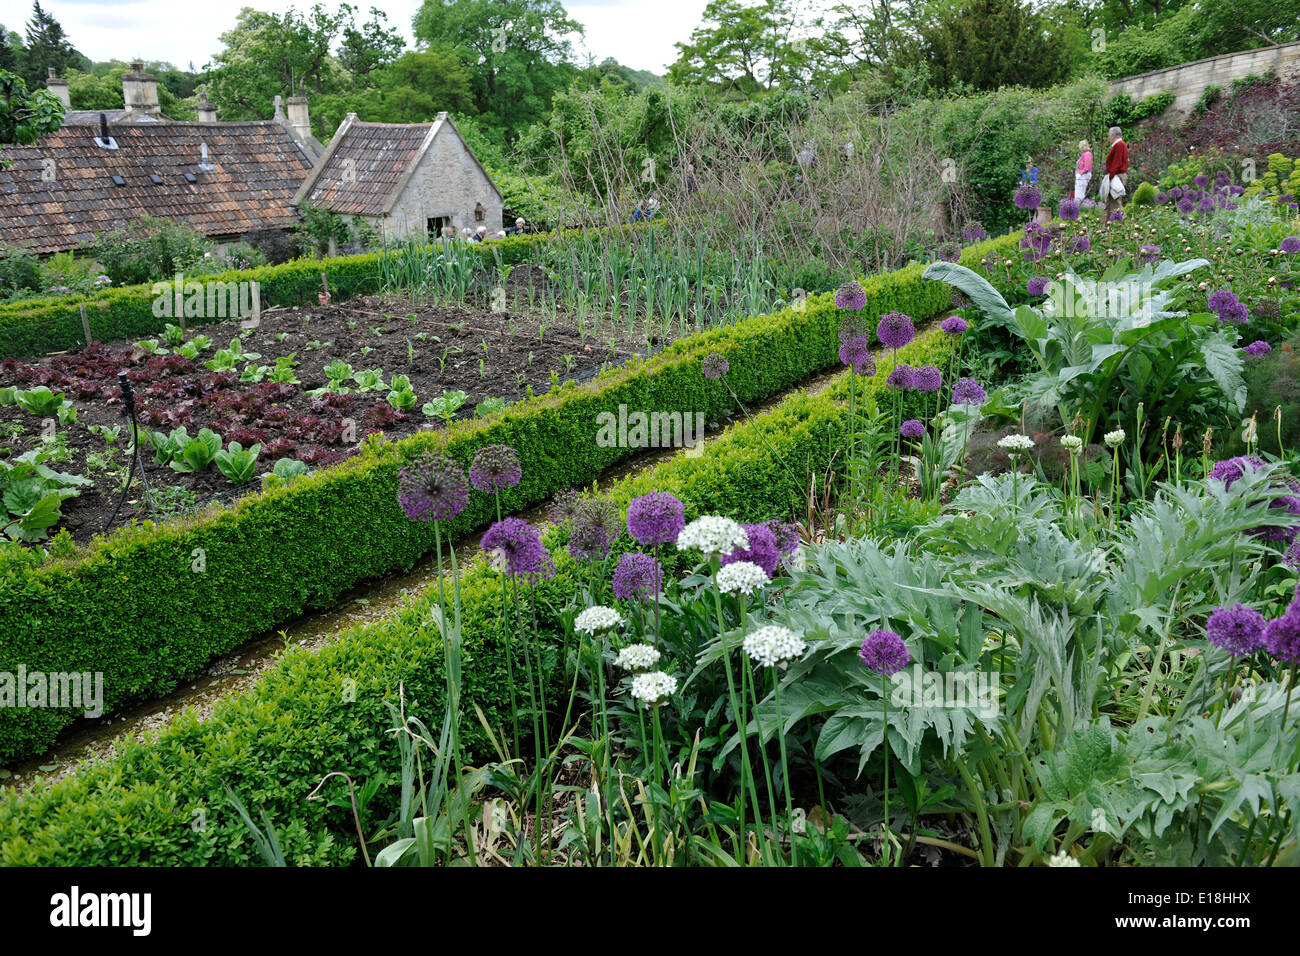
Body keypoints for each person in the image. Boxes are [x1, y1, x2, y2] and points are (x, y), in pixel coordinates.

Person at [1102, 126, 1128, 218]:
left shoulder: (1119, 145)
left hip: (1116, 176)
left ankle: (1122, 222)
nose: (1108, 137)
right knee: (1111, 201)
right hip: (1115, 175)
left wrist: (1110, 176)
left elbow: (1117, 162)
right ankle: (1106, 224)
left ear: (1113, 135)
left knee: (1115, 201)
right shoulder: (1119, 145)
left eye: (1109, 135)